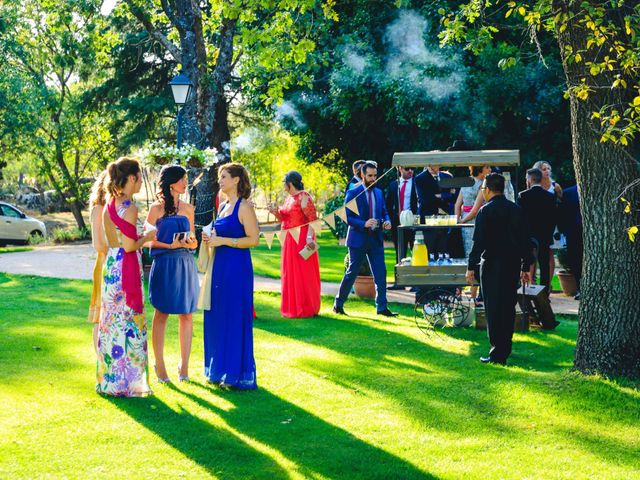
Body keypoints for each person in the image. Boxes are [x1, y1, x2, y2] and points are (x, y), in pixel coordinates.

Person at [97, 157, 156, 397]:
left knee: (111, 323)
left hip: (111, 265)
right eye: (140, 177)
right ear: (131, 178)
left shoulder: (110, 203)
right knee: (130, 322)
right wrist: (148, 236)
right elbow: (131, 246)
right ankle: (131, 384)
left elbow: (114, 241)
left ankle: (111, 381)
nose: (141, 181)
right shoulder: (130, 207)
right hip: (126, 267)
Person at [202, 163, 260, 389]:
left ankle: (236, 373)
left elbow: (253, 239)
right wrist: (211, 237)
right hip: (219, 267)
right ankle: (218, 371)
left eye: (224, 176)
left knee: (234, 317)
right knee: (218, 316)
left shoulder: (244, 207)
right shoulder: (224, 205)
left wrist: (224, 241)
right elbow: (221, 233)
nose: (220, 181)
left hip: (237, 268)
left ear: (236, 180)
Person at [466, 173, 534, 366]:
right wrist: (525, 265)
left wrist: (471, 266)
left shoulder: (485, 212)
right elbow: (525, 241)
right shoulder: (516, 210)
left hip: (492, 265)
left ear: (487, 189)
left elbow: (478, 243)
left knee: (494, 309)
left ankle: (498, 352)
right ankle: (506, 346)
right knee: (508, 306)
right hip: (512, 264)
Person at [145, 165, 199, 383]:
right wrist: (169, 245)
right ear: (170, 182)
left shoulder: (188, 209)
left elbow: (193, 239)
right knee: (162, 314)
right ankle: (160, 365)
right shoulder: (155, 209)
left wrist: (192, 243)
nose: (186, 182)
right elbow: (147, 241)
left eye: (186, 178)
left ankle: (184, 367)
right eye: (182, 179)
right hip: (164, 263)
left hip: (185, 263)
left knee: (187, 314)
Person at [334, 161, 397, 317]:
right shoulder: (353, 192)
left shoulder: (379, 193)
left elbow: (384, 212)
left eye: (375, 175)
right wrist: (364, 223)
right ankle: (338, 304)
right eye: (370, 176)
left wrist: (387, 221)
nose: (373, 178)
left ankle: (381, 308)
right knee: (351, 273)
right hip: (358, 239)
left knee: (380, 273)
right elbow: (346, 218)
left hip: (376, 239)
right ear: (362, 175)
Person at [267, 171, 321, 318]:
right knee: (290, 273)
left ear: (290, 183)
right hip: (289, 238)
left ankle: (306, 307)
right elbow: (284, 218)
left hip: (302, 238)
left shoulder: (304, 196)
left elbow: (312, 219)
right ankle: (292, 307)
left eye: (284, 181)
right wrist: (274, 212)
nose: (283, 184)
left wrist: (309, 237)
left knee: (303, 274)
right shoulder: (289, 198)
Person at [455, 165, 491, 303]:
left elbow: (457, 205)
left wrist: (458, 220)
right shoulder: (483, 185)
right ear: (480, 170)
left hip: (466, 220)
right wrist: (462, 221)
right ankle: (472, 295)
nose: (490, 170)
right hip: (474, 221)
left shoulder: (466, 182)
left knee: (469, 254)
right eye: (487, 167)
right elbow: (475, 210)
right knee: (474, 255)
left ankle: (468, 293)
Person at [518, 168, 557, 294]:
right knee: (544, 264)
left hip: (528, 235)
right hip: (545, 234)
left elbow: (520, 218)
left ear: (530, 179)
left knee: (526, 262)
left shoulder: (523, 196)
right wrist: (549, 233)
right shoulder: (550, 196)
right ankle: (545, 292)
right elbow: (553, 218)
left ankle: (526, 290)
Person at [533, 160, 563, 287]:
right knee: (533, 253)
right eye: (544, 169)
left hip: (551, 224)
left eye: (548, 169)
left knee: (550, 254)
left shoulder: (555, 186)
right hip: (536, 224)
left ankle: (547, 285)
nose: (547, 171)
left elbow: (561, 203)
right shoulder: (534, 185)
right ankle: (532, 282)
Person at [88, 171, 108, 353]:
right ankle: (99, 356)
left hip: (116, 262)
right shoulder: (98, 209)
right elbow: (98, 244)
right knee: (100, 314)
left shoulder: (116, 208)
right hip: (104, 263)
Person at [386, 166, 418, 269]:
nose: (410, 171)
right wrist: (390, 220)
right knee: (400, 253)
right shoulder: (393, 185)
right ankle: (399, 282)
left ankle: (417, 282)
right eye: (407, 169)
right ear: (400, 169)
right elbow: (388, 205)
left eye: (412, 169)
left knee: (416, 252)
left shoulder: (416, 183)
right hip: (397, 223)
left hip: (414, 222)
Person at [558, 184, 583, 299]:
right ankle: (579, 288)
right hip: (573, 232)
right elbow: (562, 213)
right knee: (575, 260)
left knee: (577, 260)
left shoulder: (568, 192)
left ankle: (581, 288)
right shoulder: (567, 193)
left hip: (579, 231)